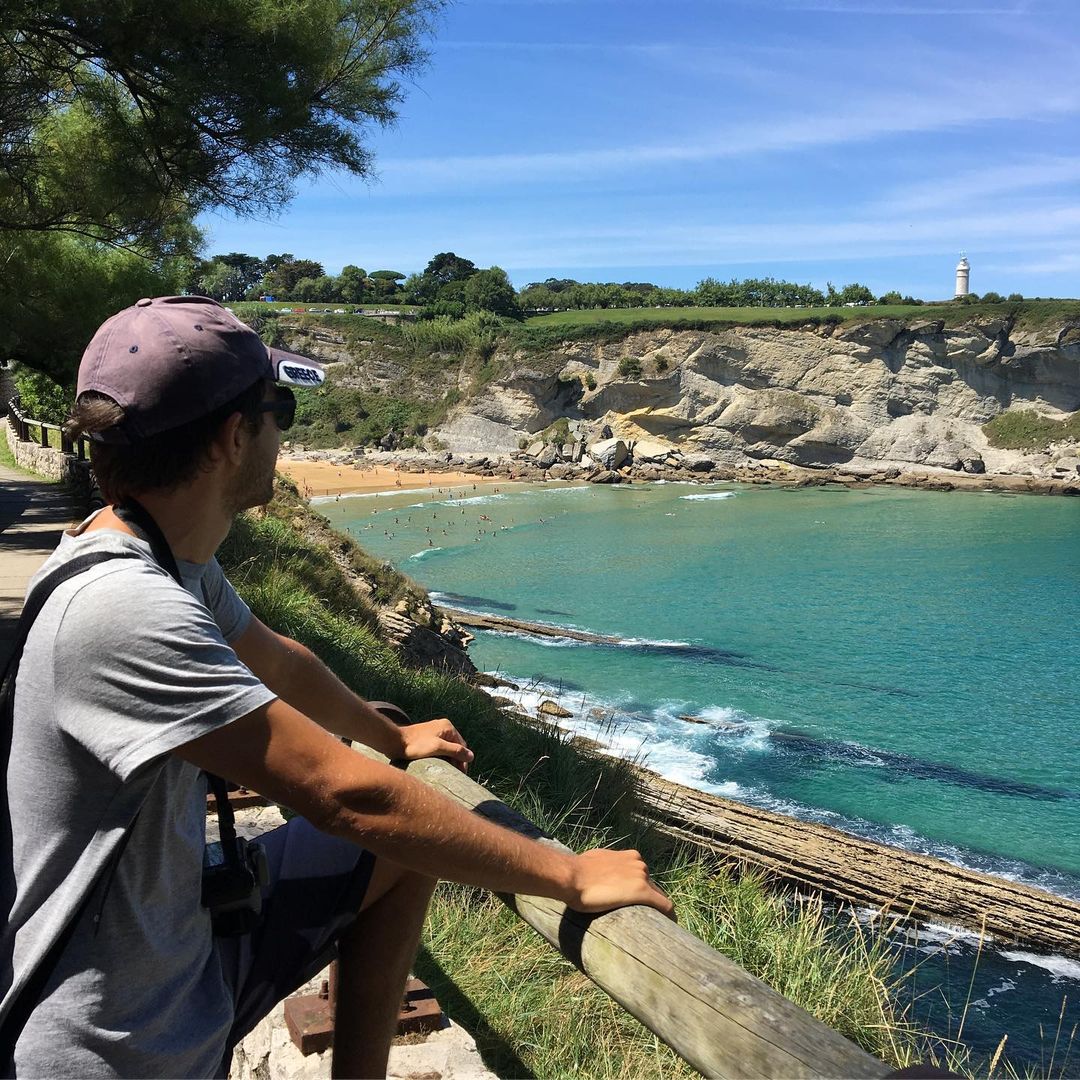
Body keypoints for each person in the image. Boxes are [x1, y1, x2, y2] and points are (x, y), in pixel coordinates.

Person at [1, 297, 672, 1079]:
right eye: (276, 408)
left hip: (182, 943)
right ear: (232, 437)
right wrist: (569, 873)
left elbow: (280, 661)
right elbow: (342, 795)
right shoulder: (124, 609)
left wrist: (395, 740)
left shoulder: (163, 557)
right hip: (116, 1037)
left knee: (401, 852)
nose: (285, 431)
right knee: (395, 821)